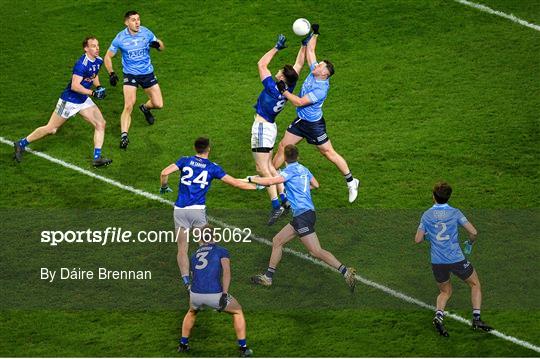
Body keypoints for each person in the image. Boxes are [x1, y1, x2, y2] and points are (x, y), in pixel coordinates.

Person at [248, 144, 357, 292]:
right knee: (277, 241)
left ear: (285, 158)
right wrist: (299, 189)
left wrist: (251, 179)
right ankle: (268, 277)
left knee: (316, 251)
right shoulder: (304, 169)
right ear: (297, 157)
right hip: (306, 214)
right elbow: (316, 185)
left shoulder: (288, 172)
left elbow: (271, 182)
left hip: (302, 216)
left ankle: (345, 271)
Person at [272, 24, 360, 203]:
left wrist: (284, 91)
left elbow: (298, 102)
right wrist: (315, 33)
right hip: (301, 120)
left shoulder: (320, 89)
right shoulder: (315, 73)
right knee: (282, 146)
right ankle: (270, 178)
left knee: (327, 152)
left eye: (320, 66)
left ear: (325, 74)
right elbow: (310, 50)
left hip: (314, 125)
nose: (316, 64)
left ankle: (351, 181)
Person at [160, 137, 257, 291]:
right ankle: (206, 278)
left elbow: (164, 173)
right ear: (208, 149)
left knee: (182, 249)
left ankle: (186, 282)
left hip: (179, 210)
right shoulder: (212, 168)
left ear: (195, 148)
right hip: (197, 211)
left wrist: (164, 187)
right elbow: (236, 183)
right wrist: (258, 187)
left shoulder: (184, 160)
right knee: (206, 245)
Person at [13, 36, 111, 167]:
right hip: (69, 100)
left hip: (82, 100)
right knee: (51, 129)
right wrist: (93, 93)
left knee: (100, 123)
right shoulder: (81, 65)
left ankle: (97, 158)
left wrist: (98, 87)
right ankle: (21, 143)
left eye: (97, 45)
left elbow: (93, 75)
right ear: (86, 49)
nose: (97, 48)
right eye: (93, 46)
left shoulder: (98, 60)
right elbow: (75, 86)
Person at [415, 181, 493, 337]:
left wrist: (428, 236)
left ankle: (438, 317)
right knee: (475, 283)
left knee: (445, 291)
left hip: (437, 261)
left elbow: (418, 239)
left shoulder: (426, 215)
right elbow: (474, 232)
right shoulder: (455, 213)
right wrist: (470, 242)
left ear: (433, 197)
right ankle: (477, 319)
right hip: (456, 259)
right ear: (448, 197)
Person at [252, 34, 308, 225]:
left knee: (262, 168)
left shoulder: (271, 87)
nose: (278, 71)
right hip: (271, 127)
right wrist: (305, 44)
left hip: (261, 128)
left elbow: (261, 64)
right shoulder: (289, 86)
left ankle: (276, 206)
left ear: (282, 77)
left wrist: (276, 47)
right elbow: (299, 65)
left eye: (280, 71)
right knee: (268, 166)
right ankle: (284, 199)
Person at [178, 231, 253, 357]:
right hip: (215, 295)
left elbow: (195, 276)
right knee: (238, 311)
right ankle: (243, 348)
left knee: (192, 312)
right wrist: (224, 295)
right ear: (214, 236)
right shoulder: (221, 251)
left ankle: (183, 344)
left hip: (195, 294)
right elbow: (227, 272)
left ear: (201, 238)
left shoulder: (193, 254)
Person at [104, 10, 164, 149]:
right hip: (130, 75)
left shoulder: (146, 32)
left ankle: (145, 107)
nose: (137, 22)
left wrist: (158, 45)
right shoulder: (120, 38)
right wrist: (111, 73)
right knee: (129, 105)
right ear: (126, 22)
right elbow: (108, 56)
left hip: (147, 73)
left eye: (138, 19)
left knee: (159, 104)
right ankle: (124, 136)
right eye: (133, 20)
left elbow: (161, 47)